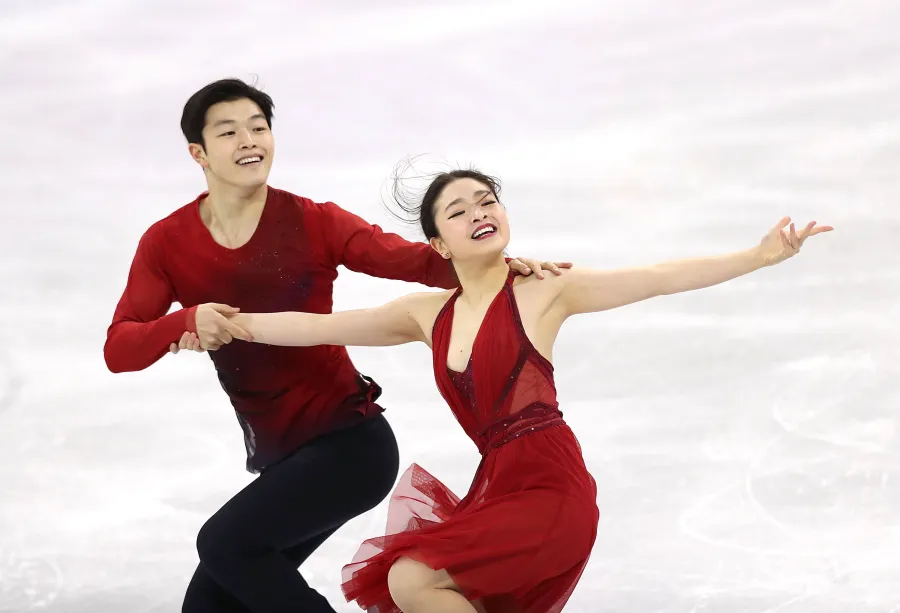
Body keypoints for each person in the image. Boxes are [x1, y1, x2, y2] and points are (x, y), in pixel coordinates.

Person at [223, 167, 833, 613]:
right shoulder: (424, 313)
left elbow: (656, 279)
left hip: (551, 484)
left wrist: (757, 256)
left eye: (486, 201)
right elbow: (318, 327)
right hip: (496, 486)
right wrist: (233, 324)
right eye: (458, 211)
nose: (478, 213)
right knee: (430, 588)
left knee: (411, 578)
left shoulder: (544, 290)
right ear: (437, 244)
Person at [102, 78, 568, 613]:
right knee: (212, 604)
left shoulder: (312, 221)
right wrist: (183, 320)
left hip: (349, 446)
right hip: (284, 456)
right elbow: (121, 348)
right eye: (229, 132)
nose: (250, 141)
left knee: (225, 544)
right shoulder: (167, 241)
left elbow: (415, 261)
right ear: (198, 153)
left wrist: (502, 267)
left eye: (259, 127)